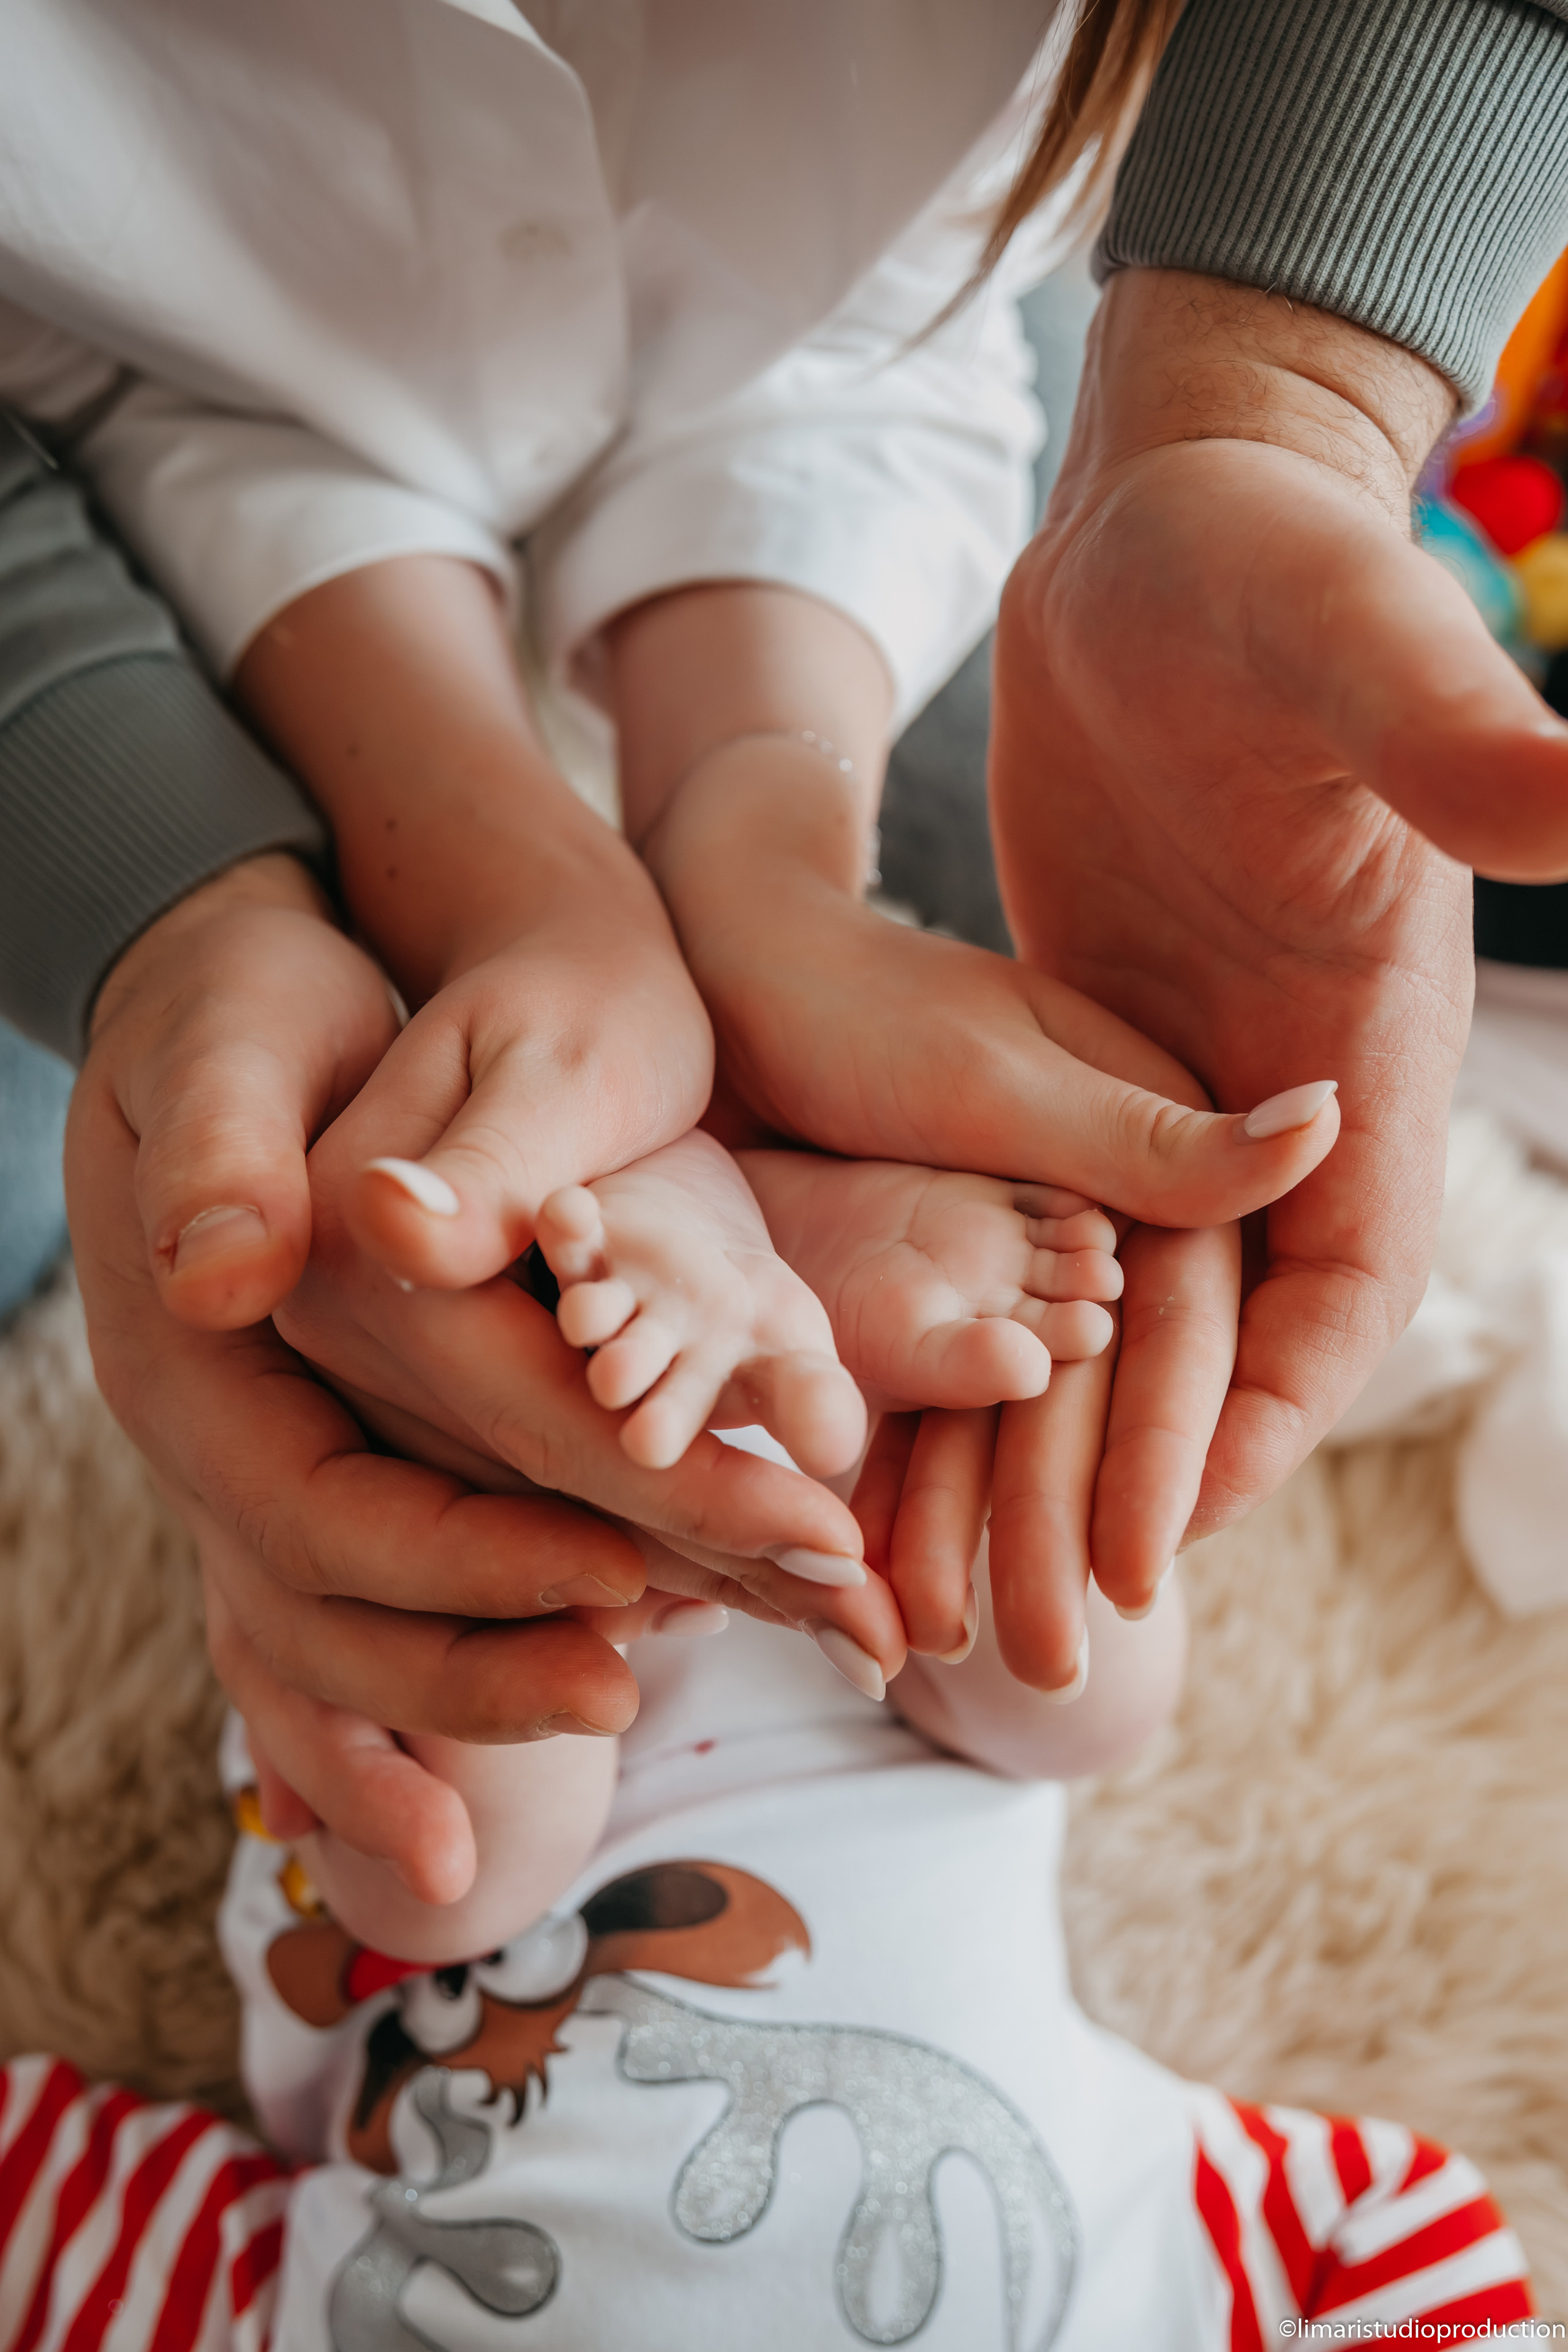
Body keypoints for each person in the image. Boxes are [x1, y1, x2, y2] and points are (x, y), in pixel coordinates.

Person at [6, 0, 1568, 1887]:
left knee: (1076, 1627)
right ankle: (617, 1166)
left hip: (882, 333)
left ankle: (701, 1160)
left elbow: (870, 331)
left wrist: (759, 836)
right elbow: (420, 1900)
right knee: (442, 1748)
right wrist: (238, 907)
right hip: (83, 430)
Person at [0, 1509, 1533, 2344]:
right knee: (1084, 1688)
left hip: (446, 1698)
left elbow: (61, 2200)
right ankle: (885, 1272)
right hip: (887, 1647)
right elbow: (1397, 2223)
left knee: (462, 1858)